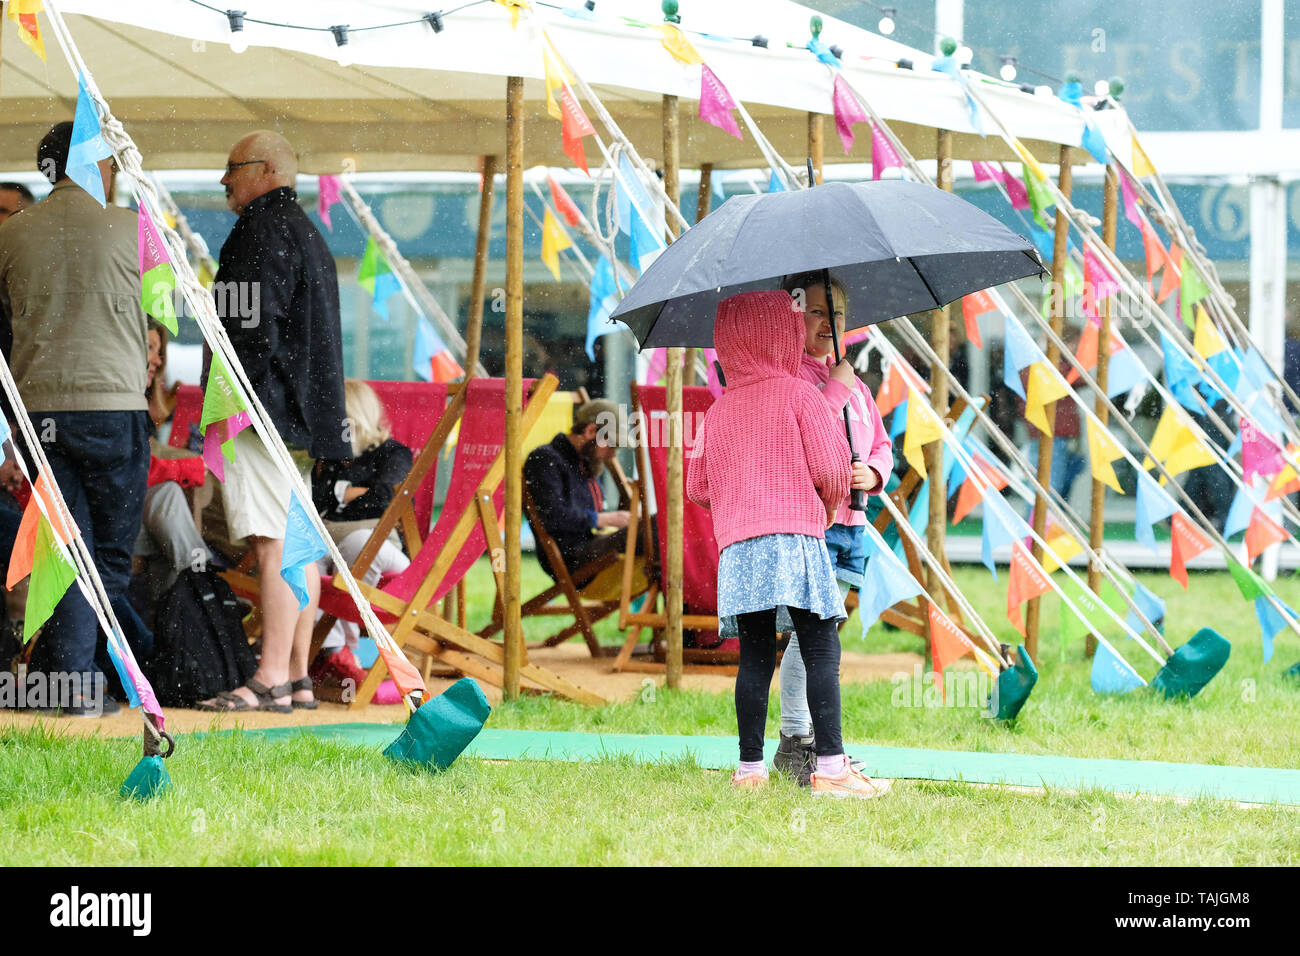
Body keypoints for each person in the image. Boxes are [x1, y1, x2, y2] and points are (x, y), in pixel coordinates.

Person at [687, 289, 887, 798]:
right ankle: (831, 767)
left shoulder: (721, 409)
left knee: (753, 658)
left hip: (739, 549)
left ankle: (749, 771)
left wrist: (742, 501)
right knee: (821, 648)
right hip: (797, 537)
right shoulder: (798, 394)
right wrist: (826, 503)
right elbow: (830, 469)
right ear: (783, 334)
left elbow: (698, 487)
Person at [197, 130, 350, 713]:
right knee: (300, 545)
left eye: (232, 167)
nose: (224, 179)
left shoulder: (255, 233)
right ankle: (296, 676)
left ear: (265, 171)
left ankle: (269, 679)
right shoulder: (310, 234)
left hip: (266, 414)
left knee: (273, 544)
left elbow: (251, 332)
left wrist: (236, 402)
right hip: (306, 418)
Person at [0, 123, 150, 717]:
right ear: (98, 165)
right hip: (113, 405)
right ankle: (80, 680)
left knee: (61, 546)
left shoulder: (12, 236)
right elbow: (166, 311)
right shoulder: (135, 230)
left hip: (39, 408)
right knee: (110, 551)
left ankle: (65, 677)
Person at [772, 272, 893, 786]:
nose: (828, 323)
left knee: (821, 638)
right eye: (816, 312)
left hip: (851, 526)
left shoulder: (859, 387)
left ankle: (812, 742)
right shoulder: (791, 376)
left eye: (836, 314)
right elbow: (808, 428)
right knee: (808, 638)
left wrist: (874, 472)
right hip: (812, 525)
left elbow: (882, 444)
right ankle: (796, 739)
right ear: (793, 316)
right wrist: (835, 386)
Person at [312, 379, 413, 669]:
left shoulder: (393, 453)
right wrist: (352, 494)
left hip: (385, 548)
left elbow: (384, 498)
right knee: (306, 550)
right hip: (335, 543)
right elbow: (316, 500)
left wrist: (339, 497)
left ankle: (346, 648)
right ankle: (329, 650)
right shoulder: (330, 459)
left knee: (358, 542)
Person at [524, 397, 647, 584]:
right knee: (654, 529)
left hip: (590, 547)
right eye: (612, 444)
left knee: (656, 528)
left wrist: (619, 517)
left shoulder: (584, 463)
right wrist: (606, 518)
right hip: (572, 557)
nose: (613, 454)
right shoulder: (545, 459)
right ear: (590, 431)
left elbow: (592, 514)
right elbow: (553, 516)